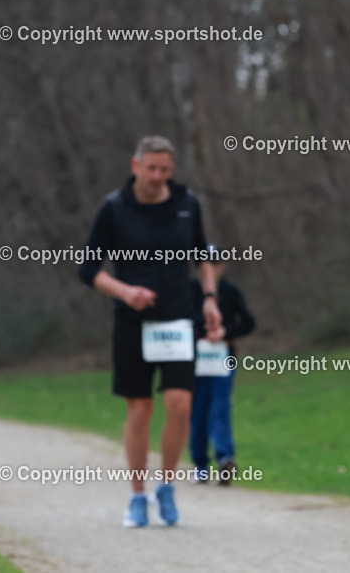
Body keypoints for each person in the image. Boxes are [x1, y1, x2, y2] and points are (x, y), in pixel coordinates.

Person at [79, 135, 224, 528]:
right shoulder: (114, 209)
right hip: (132, 323)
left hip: (178, 320)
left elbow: (204, 256)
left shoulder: (186, 205)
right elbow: (88, 270)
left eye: (165, 170)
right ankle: (137, 495)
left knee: (180, 404)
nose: (158, 176)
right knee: (140, 410)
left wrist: (210, 297)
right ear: (135, 166)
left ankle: (167, 486)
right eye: (151, 169)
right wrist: (125, 291)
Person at [189, 254, 255, 485]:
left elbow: (247, 322)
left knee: (220, 408)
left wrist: (224, 332)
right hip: (194, 361)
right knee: (197, 411)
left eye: (213, 264)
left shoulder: (230, 292)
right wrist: (200, 334)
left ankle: (225, 458)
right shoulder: (188, 290)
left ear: (222, 266)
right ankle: (199, 464)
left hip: (222, 360)